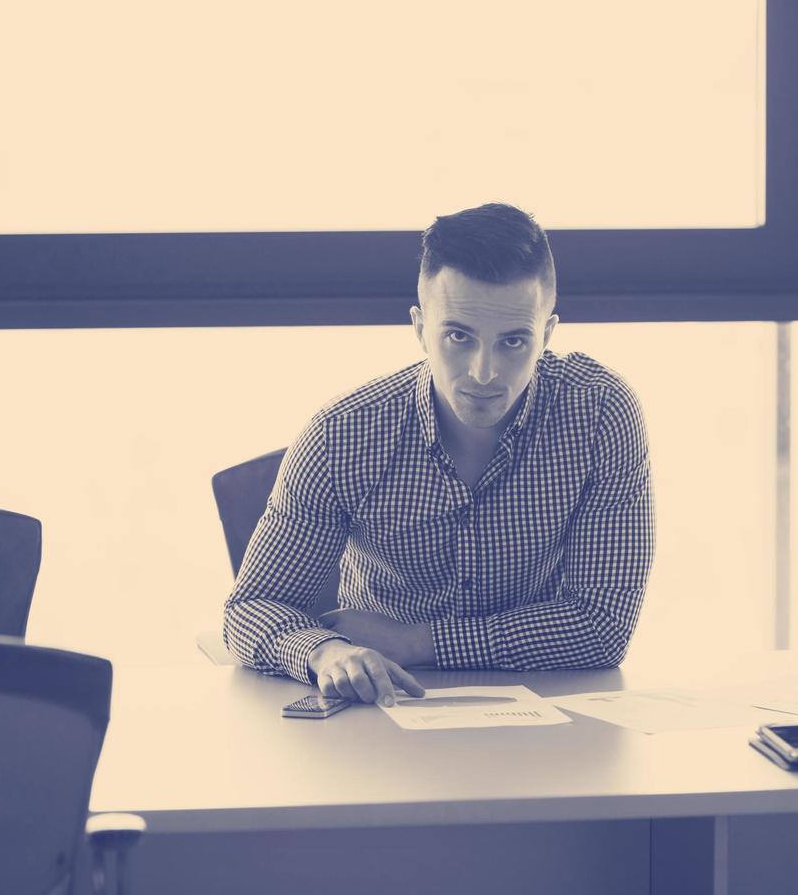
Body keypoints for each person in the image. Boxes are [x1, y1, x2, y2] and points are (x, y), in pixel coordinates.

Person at [223, 203, 655, 706]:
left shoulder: (600, 413)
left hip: (546, 700)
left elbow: (601, 628)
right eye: (458, 336)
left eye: (514, 341)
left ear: (548, 334)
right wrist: (327, 653)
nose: (484, 372)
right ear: (419, 327)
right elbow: (252, 607)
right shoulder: (341, 434)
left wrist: (417, 641)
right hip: (381, 705)